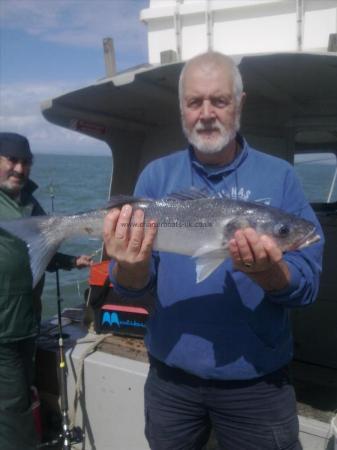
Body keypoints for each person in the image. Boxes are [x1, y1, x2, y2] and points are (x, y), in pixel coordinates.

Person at [103, 52, 324, 450]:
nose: (206, 113)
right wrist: (128, 265)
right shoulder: (156, 175)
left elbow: (307, 285)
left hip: (257, 384)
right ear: (182, 110)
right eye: (194, 102)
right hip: (171, 382)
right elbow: (132, 287)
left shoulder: (281, 177)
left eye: (219, 100)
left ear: (240, 104)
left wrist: (269, 273)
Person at [0, 132, 92, 450]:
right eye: (12, 160)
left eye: (26, 162)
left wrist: (70, 261)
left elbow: (39, 250)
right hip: (3, 327)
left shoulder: (28, 200)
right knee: (13, 408)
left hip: (26, 321)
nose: (19, 169)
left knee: (21, 393)